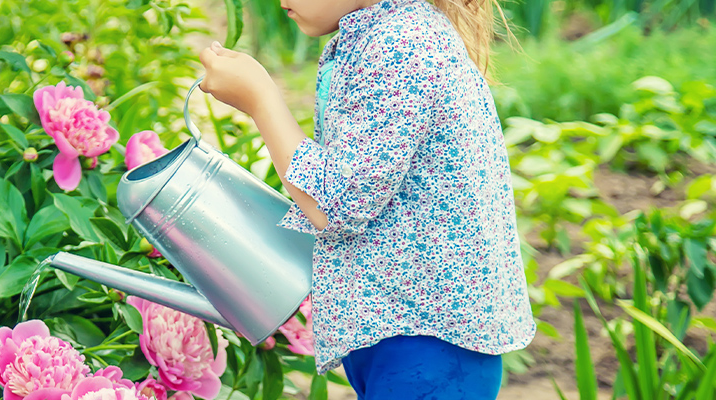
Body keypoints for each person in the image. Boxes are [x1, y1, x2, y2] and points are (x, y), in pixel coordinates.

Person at [197, 0, 536, 398]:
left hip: (428, 349)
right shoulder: (380, 36)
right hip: (409, 336)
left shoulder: (403, 44)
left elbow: (336, 204)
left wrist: (260, 100)